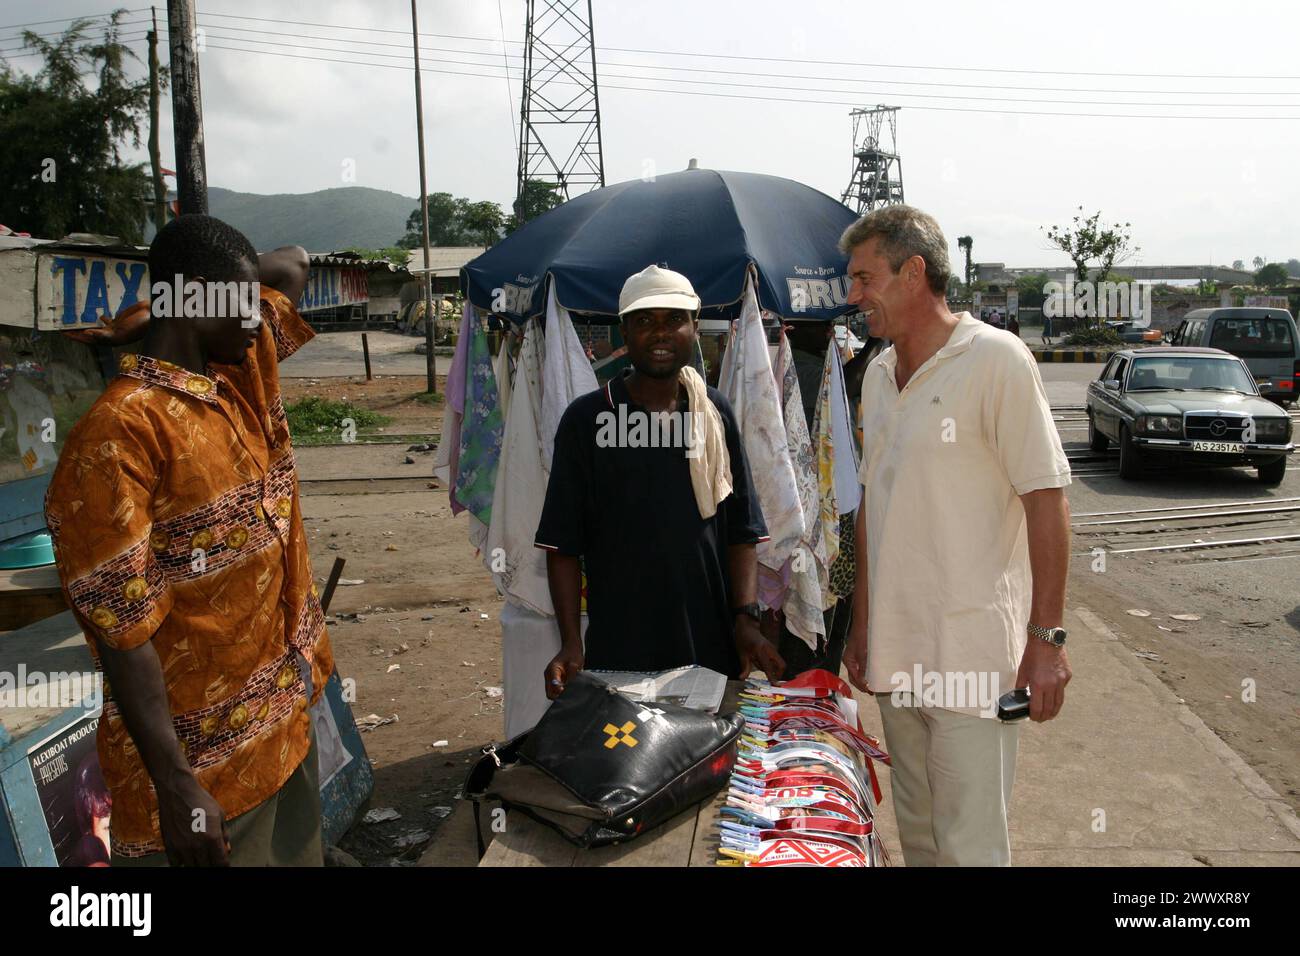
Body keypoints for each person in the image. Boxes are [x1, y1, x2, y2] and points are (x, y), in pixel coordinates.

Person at [45, 214, 332, 866]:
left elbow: (292, 260)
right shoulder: (119, 433)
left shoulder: (241, 373)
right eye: (240, 303)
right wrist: (176, 786)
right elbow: (126, 636)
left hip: (284, 730)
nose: (261, 319)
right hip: (207, 778)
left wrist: (178, 297)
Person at [839, 205, 1072, 867]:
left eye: (864, 277)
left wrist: (1047, 642)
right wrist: (862, 626)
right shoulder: (880, 377)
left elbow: (1046, 500)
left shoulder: (995, 359)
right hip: (898, 653)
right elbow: (872, 510)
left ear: (913, 273)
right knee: (920, 834)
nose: (853, 295)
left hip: (973, 654)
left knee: (970, 844)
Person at [536, 264, 784, 696]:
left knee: (708, 760)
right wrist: (572, 643)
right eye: (644, 321)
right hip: (620, 647)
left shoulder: (714, 414)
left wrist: (745, 621)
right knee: (628, 759)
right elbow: (562, 545)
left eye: (674, 319)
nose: (661, 333)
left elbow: (741, 530)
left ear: (694, 326)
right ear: (625, 332)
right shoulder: (588, 420)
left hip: (709, 646)